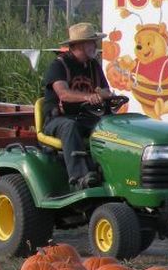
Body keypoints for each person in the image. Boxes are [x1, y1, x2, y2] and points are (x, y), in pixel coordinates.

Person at [42, 22, 118, 189]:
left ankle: (114, 172)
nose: (95, 46)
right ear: (78, 45)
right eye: (92, 42)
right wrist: (89, 96)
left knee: (113, 125)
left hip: (87, 117)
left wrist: (105, 95)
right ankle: (79, 178)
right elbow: (63, 94)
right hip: (58, 119)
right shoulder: (59, 65)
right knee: (70, 126)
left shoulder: (93, 65)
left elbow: (105, 89)